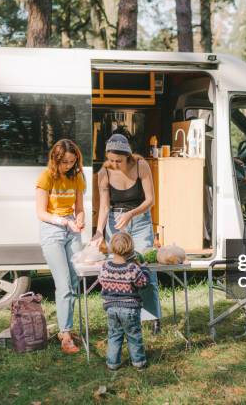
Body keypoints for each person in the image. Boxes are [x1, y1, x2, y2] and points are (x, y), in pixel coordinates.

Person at [91, 133, 162, 334]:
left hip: (139, 221)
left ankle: (153, 318)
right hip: (115, 223)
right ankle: (121, 320)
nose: (114, 163)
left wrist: (131, 213)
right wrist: (98, 231)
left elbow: (150, 200)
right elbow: (104, 207)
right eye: (111, 159)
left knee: (146, 269)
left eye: (118, 160)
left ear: (128, 156)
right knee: (118, 272)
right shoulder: (104, 172)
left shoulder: (141, 166)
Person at [35, 139, 85, 354]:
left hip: (72, 229)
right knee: (63, 283)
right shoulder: (45, 177)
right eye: (64, 162)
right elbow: (41, 212)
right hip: (52, 230)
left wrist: (80, 220)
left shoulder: (77, 176)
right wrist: (62, 221)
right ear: (55, 161)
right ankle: (65, 335)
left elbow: (80, 208)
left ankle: (67, 328)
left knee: (74, 280)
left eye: (72, 162)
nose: (69, 166)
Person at [98, 232, 149, 370]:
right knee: (134, 335)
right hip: (130, 308)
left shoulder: (105, 266)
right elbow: (143, 283)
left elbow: (101, 281)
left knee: (114, 335)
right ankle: (138, 362)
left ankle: (112, 363)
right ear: (131, 249)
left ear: (112, 248)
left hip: (111, 308)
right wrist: (143, 267)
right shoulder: (132, 268)